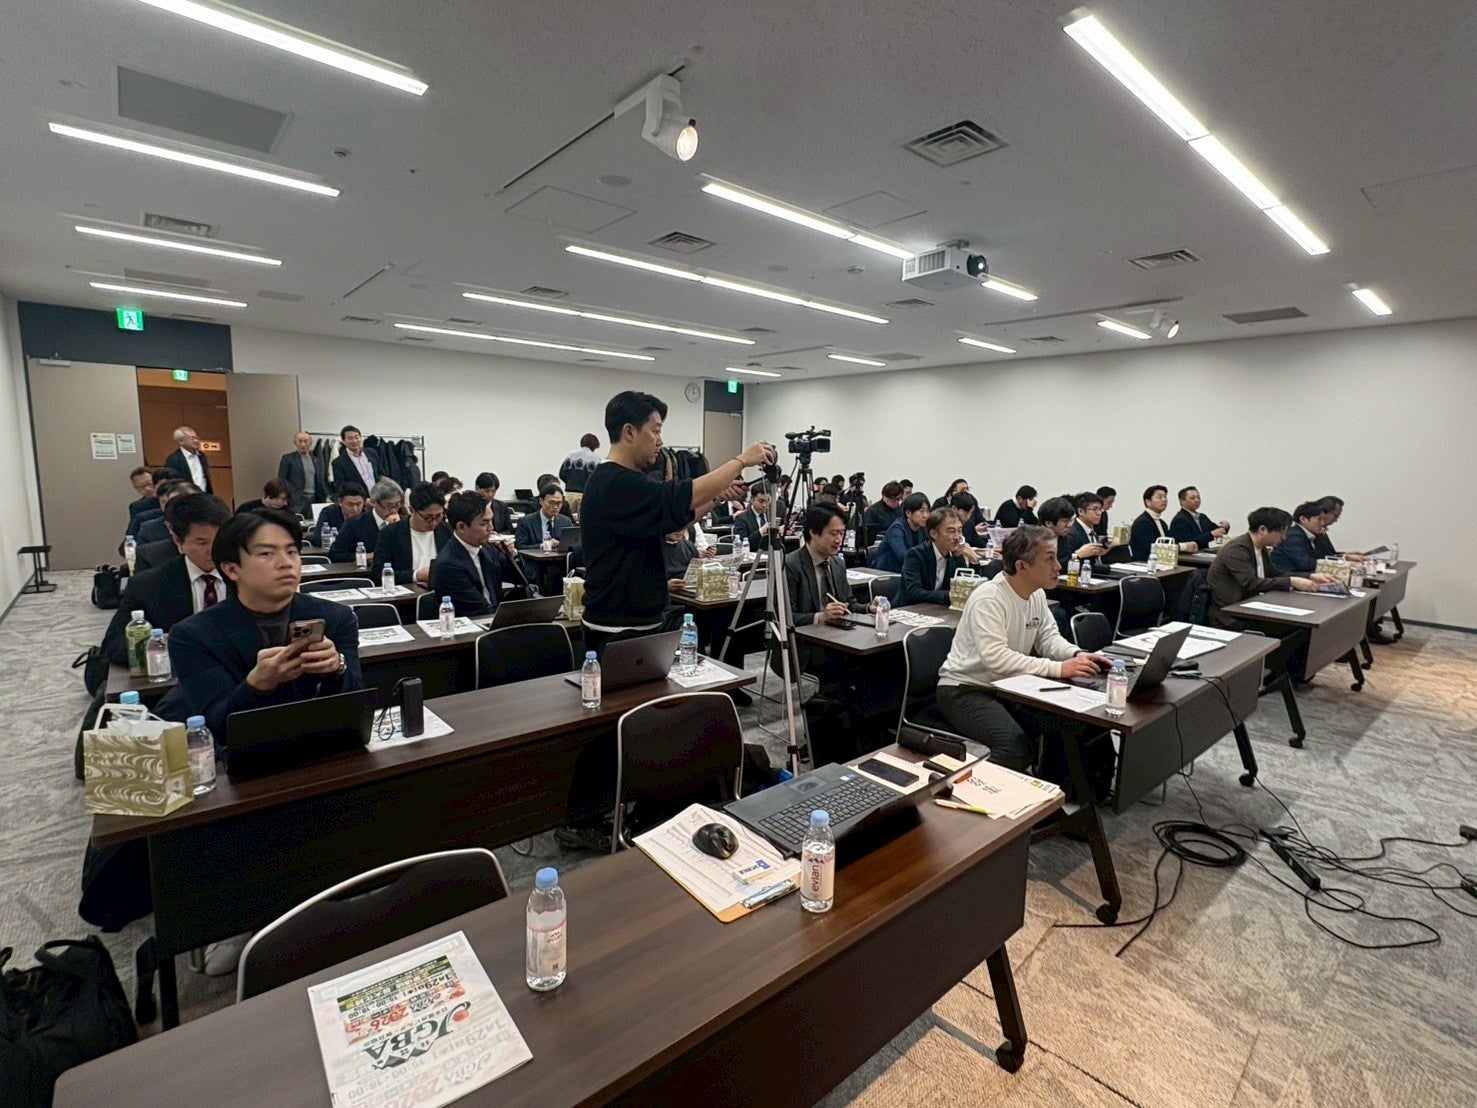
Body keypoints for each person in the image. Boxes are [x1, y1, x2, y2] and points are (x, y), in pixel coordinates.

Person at [580, 390, 771, 657]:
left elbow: (676, 517)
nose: (660, 441)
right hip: (617, 628)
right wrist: (741, 461)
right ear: (629, 432)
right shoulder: (615, 482)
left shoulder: (623, 482)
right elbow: (679, 496)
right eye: (655, 431)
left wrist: (716, 497)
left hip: (639, 622)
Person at [156, 509, 362, 740]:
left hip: (328, 743)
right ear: (231, 569)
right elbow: (216, 724)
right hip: (248, 753)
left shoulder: (337, 617)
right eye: (266, 553)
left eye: (292, 552)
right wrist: (256, 685)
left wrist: (337, 668)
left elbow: (357, 704)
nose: (285, 563)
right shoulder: (193, 635)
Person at [935, 525, 1111, 775]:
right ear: (1022, 566)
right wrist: (1058, 668)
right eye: (1049, 559)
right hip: (965, 688)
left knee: (1073, 723)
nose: (1058, 566)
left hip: (1008, 686)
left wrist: (1075, 654)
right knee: (1014, 747)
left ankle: (1054, 791)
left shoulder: (1036, 593)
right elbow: (996, 659)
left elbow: (1048, 638)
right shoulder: (989, 598)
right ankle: (973, 793)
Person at [101, 494, 233, 665]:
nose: (213, 550)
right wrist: (166, 646)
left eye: (220, 540)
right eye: (202, 543)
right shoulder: (148, 584)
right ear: (177, 539)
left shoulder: (247, 576)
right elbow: (114, 645)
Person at [781, 503, 880, 669]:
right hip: (805, 643)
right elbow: (787, 618)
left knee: (878, 657)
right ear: (813, 532)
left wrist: (869, 608)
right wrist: (821, 617)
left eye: (841, 533)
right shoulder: (790, 565)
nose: (838, 540)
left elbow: (849, 604)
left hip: (838, 636)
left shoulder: (837, 563)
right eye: (833, 533)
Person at [1207, 507, 1335, 630]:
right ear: (1262, 530)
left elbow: (1274, 574)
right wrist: (1292, 581)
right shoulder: (1237, 549)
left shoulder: (1259, 547)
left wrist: (1309, 576)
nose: (1284, 537)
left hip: (1252, 606)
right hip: (1232, 615)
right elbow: (1252, 583)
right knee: (1298, 628)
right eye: (1281, 532)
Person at [432, 492, 507, 618]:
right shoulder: (449, 564)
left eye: (491, 521)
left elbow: (517, 578)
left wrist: (509, 554)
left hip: (494, 617)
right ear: (461, 527)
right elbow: (475, 610)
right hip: (474, 622)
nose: (491, 528)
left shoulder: (488, 549)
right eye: (484, 523)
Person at [898, 508, 985, 606]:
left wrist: (974, 560)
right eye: (951, 531)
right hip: (910, 609)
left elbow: (968, 588)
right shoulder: (915, 555)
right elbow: (914, 593)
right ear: (934, 534)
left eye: (960, 530)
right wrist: (951, 595)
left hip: (938, 609)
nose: (957, 537)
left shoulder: (956, 555)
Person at [373, 481, 451, 585]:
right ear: (411, 510)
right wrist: (416, 575)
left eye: (438, 516)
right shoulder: (390, 534)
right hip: (407, 592)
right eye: (428, 517)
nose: (434, 522)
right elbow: (378, 575)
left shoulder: (448, 531)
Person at [328, 478, 402, 562]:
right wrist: (364, 556)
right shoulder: (354, 524)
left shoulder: (404, 523)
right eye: (388, 505)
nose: (393, 510)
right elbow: (335, 554)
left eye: (397, 505)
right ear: (373, 502)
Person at [1129, 485, 1199, 560]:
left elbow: (1169, 543)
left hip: (1162, 562)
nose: (1164, 500)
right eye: (1159, 497)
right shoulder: (1142, 522)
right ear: (1148, 502)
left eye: (1165, 497)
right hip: (1145, 563)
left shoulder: (1162, 523)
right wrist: (1183, 546)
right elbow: (1154, 548)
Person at [1040, 496, 1106, 572]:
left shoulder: (1062, 537)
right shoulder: (1037, 541)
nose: (1069, 525)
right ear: (1048, 523)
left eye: (1071, 520)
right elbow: (1051, 568)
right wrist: (1077, 555)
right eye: (1065, 521)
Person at [871, 492, 931, 572]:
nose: (925, 515)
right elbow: (903, 557)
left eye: (927, 511)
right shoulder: (896, 529)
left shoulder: (923, 528)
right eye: (921, 511)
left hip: (907, 571)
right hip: (886, 572)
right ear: (908, 513)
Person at [1268, 501, 1327, 575]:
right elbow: (1306, 564)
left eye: (1324, 519)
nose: (1323, 523)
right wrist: (1334, 565)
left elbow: (1322, 555)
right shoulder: (1293, 535)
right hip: (1285, 577)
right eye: (1319, 519)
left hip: (1298, 575)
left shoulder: (1311, 535)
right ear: (1303, 519)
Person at [277, 432, 328, 516]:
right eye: (299, 441)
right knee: (296, 521)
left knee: (312, 521)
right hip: (296, 499)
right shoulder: (288, 458)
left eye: (306, 441)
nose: (303, 444)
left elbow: (320, 480)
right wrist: (283, 497)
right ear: (295, 443)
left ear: (310, 443)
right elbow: (282, 480)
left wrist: (327, 495)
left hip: (314, 498)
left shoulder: (316, 460)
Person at [138, 480, 200, 544]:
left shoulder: (203, 522)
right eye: (163, 501)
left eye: (174, 501)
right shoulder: (149, 529)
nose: (168, 505)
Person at [330, 425, 382, 494]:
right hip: (359, 499)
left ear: (360, 438)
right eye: (350, 438)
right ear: (343, 441)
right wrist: (362, 498)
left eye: (356, 437)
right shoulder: (338, 462)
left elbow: (380, 473)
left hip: (378, 496)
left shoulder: (372, 452)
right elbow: (341, 487)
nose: (354, 441)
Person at [1064, 492, 1110, 567]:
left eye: (1100, 509)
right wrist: (1078, 555)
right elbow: (1066, 563)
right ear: (1081, 511)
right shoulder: (1071, 533)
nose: (1099, 513)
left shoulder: (1093, 530)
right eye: (1095, 509)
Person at [1315, 496, 1366, 562]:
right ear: (1323, 513)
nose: (1336, 520)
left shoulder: (1322, 530)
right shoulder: (1312, 532)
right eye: (1336, 516)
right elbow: (1318, 559)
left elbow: (1329, 554)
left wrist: (1346, 555)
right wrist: (1345, 557)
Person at [163, 426, 212, 493]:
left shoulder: (202, 456)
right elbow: (173, 483)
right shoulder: (173, 459)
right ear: (181, 441)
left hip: (204, 495)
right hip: (185, 496)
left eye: (196, 438)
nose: (196, 441)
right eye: (192, 438)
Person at [731, 481, 773, 549]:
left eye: (768, 501)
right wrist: (761, 532)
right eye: (761, 501)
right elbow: (742, 544)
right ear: (752, 499)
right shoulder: (741, 518)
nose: (765, 505)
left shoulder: (771, 516)